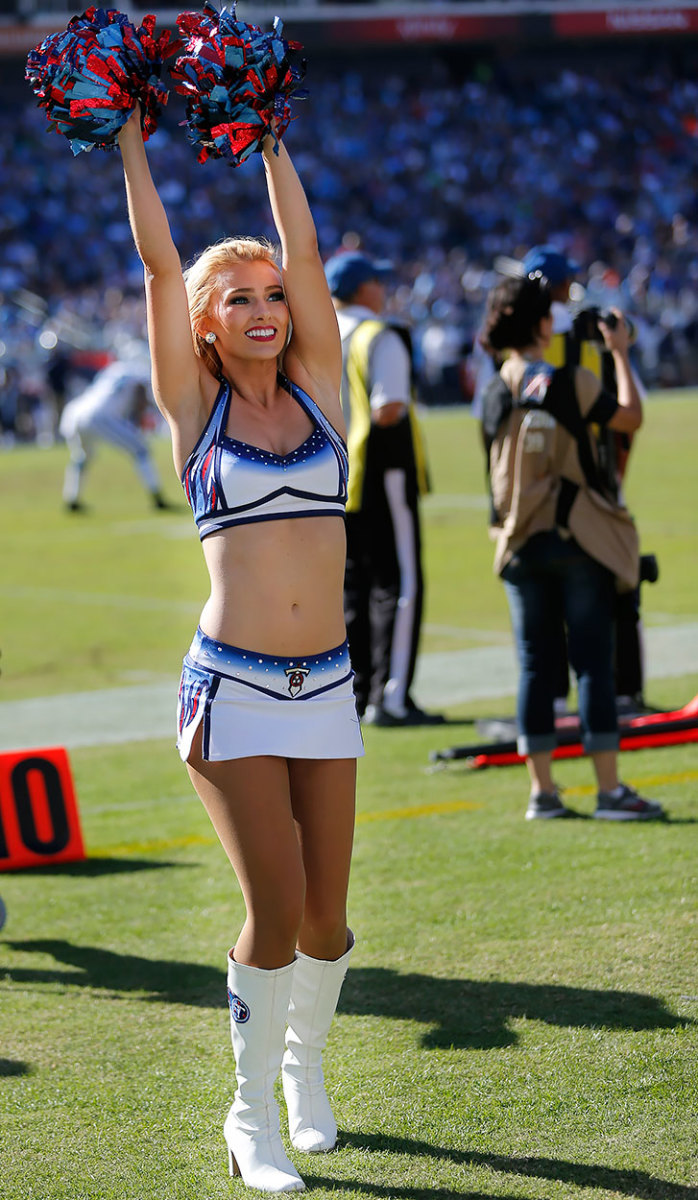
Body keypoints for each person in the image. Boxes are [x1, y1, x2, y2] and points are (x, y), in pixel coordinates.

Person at [118, 106, 364, 1194]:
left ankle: (305, 1078)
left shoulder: (321, 396)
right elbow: (159, 266)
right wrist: (131, 140)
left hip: (332, 688)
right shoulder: (193, 413)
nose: (265, 308)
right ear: (206, 327)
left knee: (327, 916)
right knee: (272, 911)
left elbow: (306, 252)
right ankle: (247, 1115)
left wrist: (271, 141)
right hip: (233, 693)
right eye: (239, 300)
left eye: (272, 296)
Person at [479, 273, 664, 822]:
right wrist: (620, 354)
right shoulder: (571, 380)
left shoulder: (492, 390)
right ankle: (609, 791)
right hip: (577, 534)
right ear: (542, 324)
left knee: (536, 668)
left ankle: (543, 793)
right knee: (593, 666)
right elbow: (630, 418)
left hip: (518, 541)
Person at [324, 250, 443, 727]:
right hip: (382, 472)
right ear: (364, 288)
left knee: (354, 589)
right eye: (378, 281)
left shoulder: (321, 335)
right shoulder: (379, 334)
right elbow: (389, 406)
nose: (383, 289)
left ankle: (358, 694)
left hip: (337, 477)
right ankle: (391, 697)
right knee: (400, 583)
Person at [58, 353, 171, 512]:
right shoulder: (138, 372)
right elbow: (141, 394)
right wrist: (138, 419)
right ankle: (158, 498)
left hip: (74, 413)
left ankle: (72, 499)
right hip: (100, 416)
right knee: (141, 450)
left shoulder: (112, 369)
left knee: (82, 457)